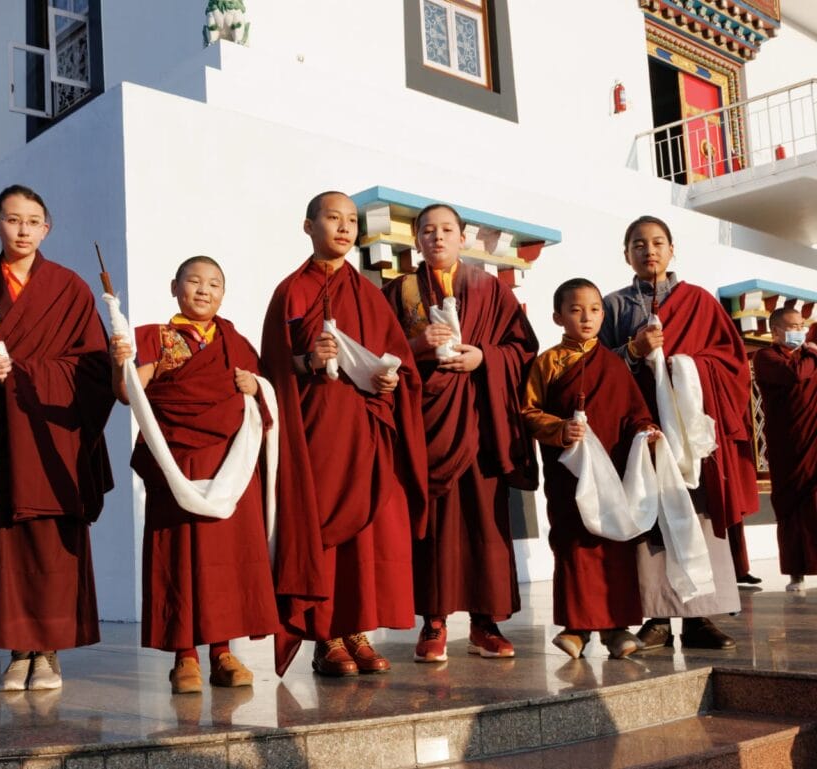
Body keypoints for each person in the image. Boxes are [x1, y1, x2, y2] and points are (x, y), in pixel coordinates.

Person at [0, 184, 114, 691]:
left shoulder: (69, 287)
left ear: (46, 229)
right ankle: (18, 652)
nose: (22, 230)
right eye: (13, 220)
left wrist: (32, 372)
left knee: (50, 545)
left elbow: (93, 367)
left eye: (33, 221)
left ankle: (49, 653)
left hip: (49, 436)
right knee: (5, 543)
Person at [260, 190, 428, 677]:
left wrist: (393, 380)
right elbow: (272, 367)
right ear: (308, 226)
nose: (344, 227)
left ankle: (357, 631)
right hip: (317, 429)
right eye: (333, 218)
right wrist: (307, 361)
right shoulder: (290, 292)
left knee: (368, 536)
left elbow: (399, 360)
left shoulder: (369, 294)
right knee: (323, 528)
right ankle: (325, 636)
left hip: (368, 428)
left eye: (351, 220)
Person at [109, 256, 280, 694]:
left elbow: (264, 398)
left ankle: (223, 653)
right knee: (180, 554)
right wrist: (121, 363)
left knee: (227, 558)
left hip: (231, 465)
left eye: (214, 284)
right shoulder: (156, 337)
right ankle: (184, 657)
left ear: (223, 293)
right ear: (175, 287)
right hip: (178, 462)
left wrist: (256, 387)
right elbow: (128, 392)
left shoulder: (236, 343)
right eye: (194, 281)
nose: (204, 290)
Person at [382, 203, 538, 662]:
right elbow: (378, 353)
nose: (438, 237)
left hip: (481, 420)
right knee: (434, 525)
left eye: (447, 229)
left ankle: (484, 623)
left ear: (462, 237)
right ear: (416, 240)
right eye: (428, 230)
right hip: (426, 423)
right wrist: (415, 346)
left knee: (485, 522)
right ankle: (433, 621)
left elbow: (523, 349)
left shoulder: (490, 289)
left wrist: (484, 358)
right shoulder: (399, 292)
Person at [600, 215, 758, 651]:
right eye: (638, 244)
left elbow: (731, 362)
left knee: (697, 517)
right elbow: (598, 367)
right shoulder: (613, 306)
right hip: (640, 429)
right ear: (626, 254)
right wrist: (633, 351)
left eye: (657, 242)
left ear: (672, 250)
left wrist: (687, 367)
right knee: (649, 520)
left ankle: (700, 618)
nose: (648, 251)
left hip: (691, 433)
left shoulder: (700, 302)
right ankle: (656, 618)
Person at [523, 278, 657, 659]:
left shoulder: (613, 364)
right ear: (558, 317)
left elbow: (634, 413)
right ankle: (576, 627)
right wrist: (559, 429)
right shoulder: (547, 363)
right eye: (576, 310)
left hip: (611, 472)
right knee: (573, 544)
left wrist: (646, 431)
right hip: (569, 472)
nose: (587, 317)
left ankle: (617, 628)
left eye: (595, 310)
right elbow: (528, 413)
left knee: (613, 545)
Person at [753, 307, 817, 592]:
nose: (799, 331)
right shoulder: (766, 357)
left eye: (802, 325)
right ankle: (796, 573)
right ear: (776, 331)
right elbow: (796, 375)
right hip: (787, 447)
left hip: (813, 442)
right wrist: (813, 353)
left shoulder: (808, 356)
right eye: (793, 326)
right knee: (790, 509)